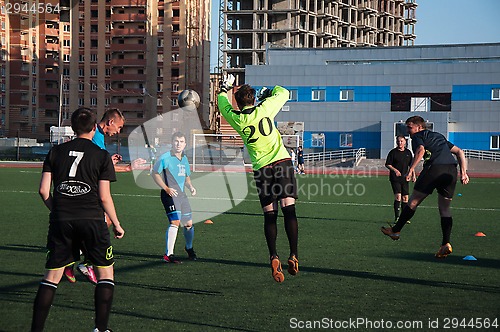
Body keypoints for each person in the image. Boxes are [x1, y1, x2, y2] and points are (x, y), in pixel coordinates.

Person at [32, 107, 125, 332]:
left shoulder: (55, 152)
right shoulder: (101, 154)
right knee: (105, 274)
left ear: (73, 128)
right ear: (94, 127)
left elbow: (44, 191)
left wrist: (58, 210)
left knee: (50, 278)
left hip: (62, 221)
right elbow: (104, 197)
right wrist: (117, 223)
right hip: (92, 219)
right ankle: (100, 329)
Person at [217, 74, 299, 283]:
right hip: (281, 162)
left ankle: (273, 255)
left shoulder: (236, 118)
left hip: (262, 169)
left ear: (239, 102)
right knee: (289, 209)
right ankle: (293, 254)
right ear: (253, 99)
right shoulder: (265, 109)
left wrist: (223, 88)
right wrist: (268, 92)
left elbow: (222, 104)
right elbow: (284, 92)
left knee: (269, 215)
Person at [381, 116, 469, 258]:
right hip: (451, 171)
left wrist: (411, 169)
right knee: (445, 208)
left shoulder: (417, 136)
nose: (408, 130)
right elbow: (460, 152)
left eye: (409, 127)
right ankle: (445, 243)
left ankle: (396, 231)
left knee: (413, 201)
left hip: (434, 169)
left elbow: (421, 150)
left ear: (419, 127)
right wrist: (464, 173)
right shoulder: (439, 137)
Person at [63, 108, 125, 284]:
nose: (118, 132)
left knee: (103, 221)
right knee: (102, 222)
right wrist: (125, 168)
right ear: (111, 122)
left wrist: (110, 161)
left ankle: (71, 259)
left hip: (80, 189)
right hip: (90, 189)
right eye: (119, 127)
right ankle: (85, 262)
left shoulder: (98, 136)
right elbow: (94, 164)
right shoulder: (95, 136)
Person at [152, 132, 197, 263]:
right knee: (175, 222)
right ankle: (168, 254)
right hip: (169, 195)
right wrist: (166, 188)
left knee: (188, 224)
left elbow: (187, 176)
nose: (178, 144)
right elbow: (155, 173)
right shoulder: (165, 157)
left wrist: (191, 186)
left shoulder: (184, 159)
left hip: (182, 195)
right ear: (172, 142)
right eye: (176, 141)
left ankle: (189, 248)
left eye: (181, 141)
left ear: (185, 144)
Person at [385, 135, 415, 224]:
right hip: (395, 178)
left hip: (405, 178)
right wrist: (395, 170)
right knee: (398, 196)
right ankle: (397, 217)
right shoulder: (393, 152)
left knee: (405, 198)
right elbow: (387, 164)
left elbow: (411, 165)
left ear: (405, 142)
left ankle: (404, 218)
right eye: (398, 141)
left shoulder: (408, 153)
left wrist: (413, 175)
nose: (400, 143)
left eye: (401, 141)